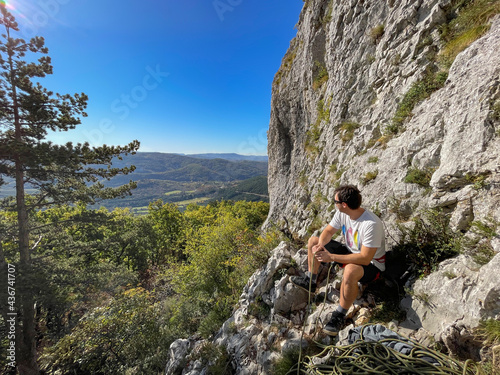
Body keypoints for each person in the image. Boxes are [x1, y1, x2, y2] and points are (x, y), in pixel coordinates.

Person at [290, 184, 386, 336]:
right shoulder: (344, 214)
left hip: (372, 265)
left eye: (335, 201)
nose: (334, 204)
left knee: (350, 269)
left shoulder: (371, 224)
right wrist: (321, 245)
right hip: (351, 252)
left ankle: (340, 315)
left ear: (344, 204)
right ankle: (311, 281)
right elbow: (328, 231)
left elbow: (365, 258)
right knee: (313, 241)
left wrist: (331, 257)